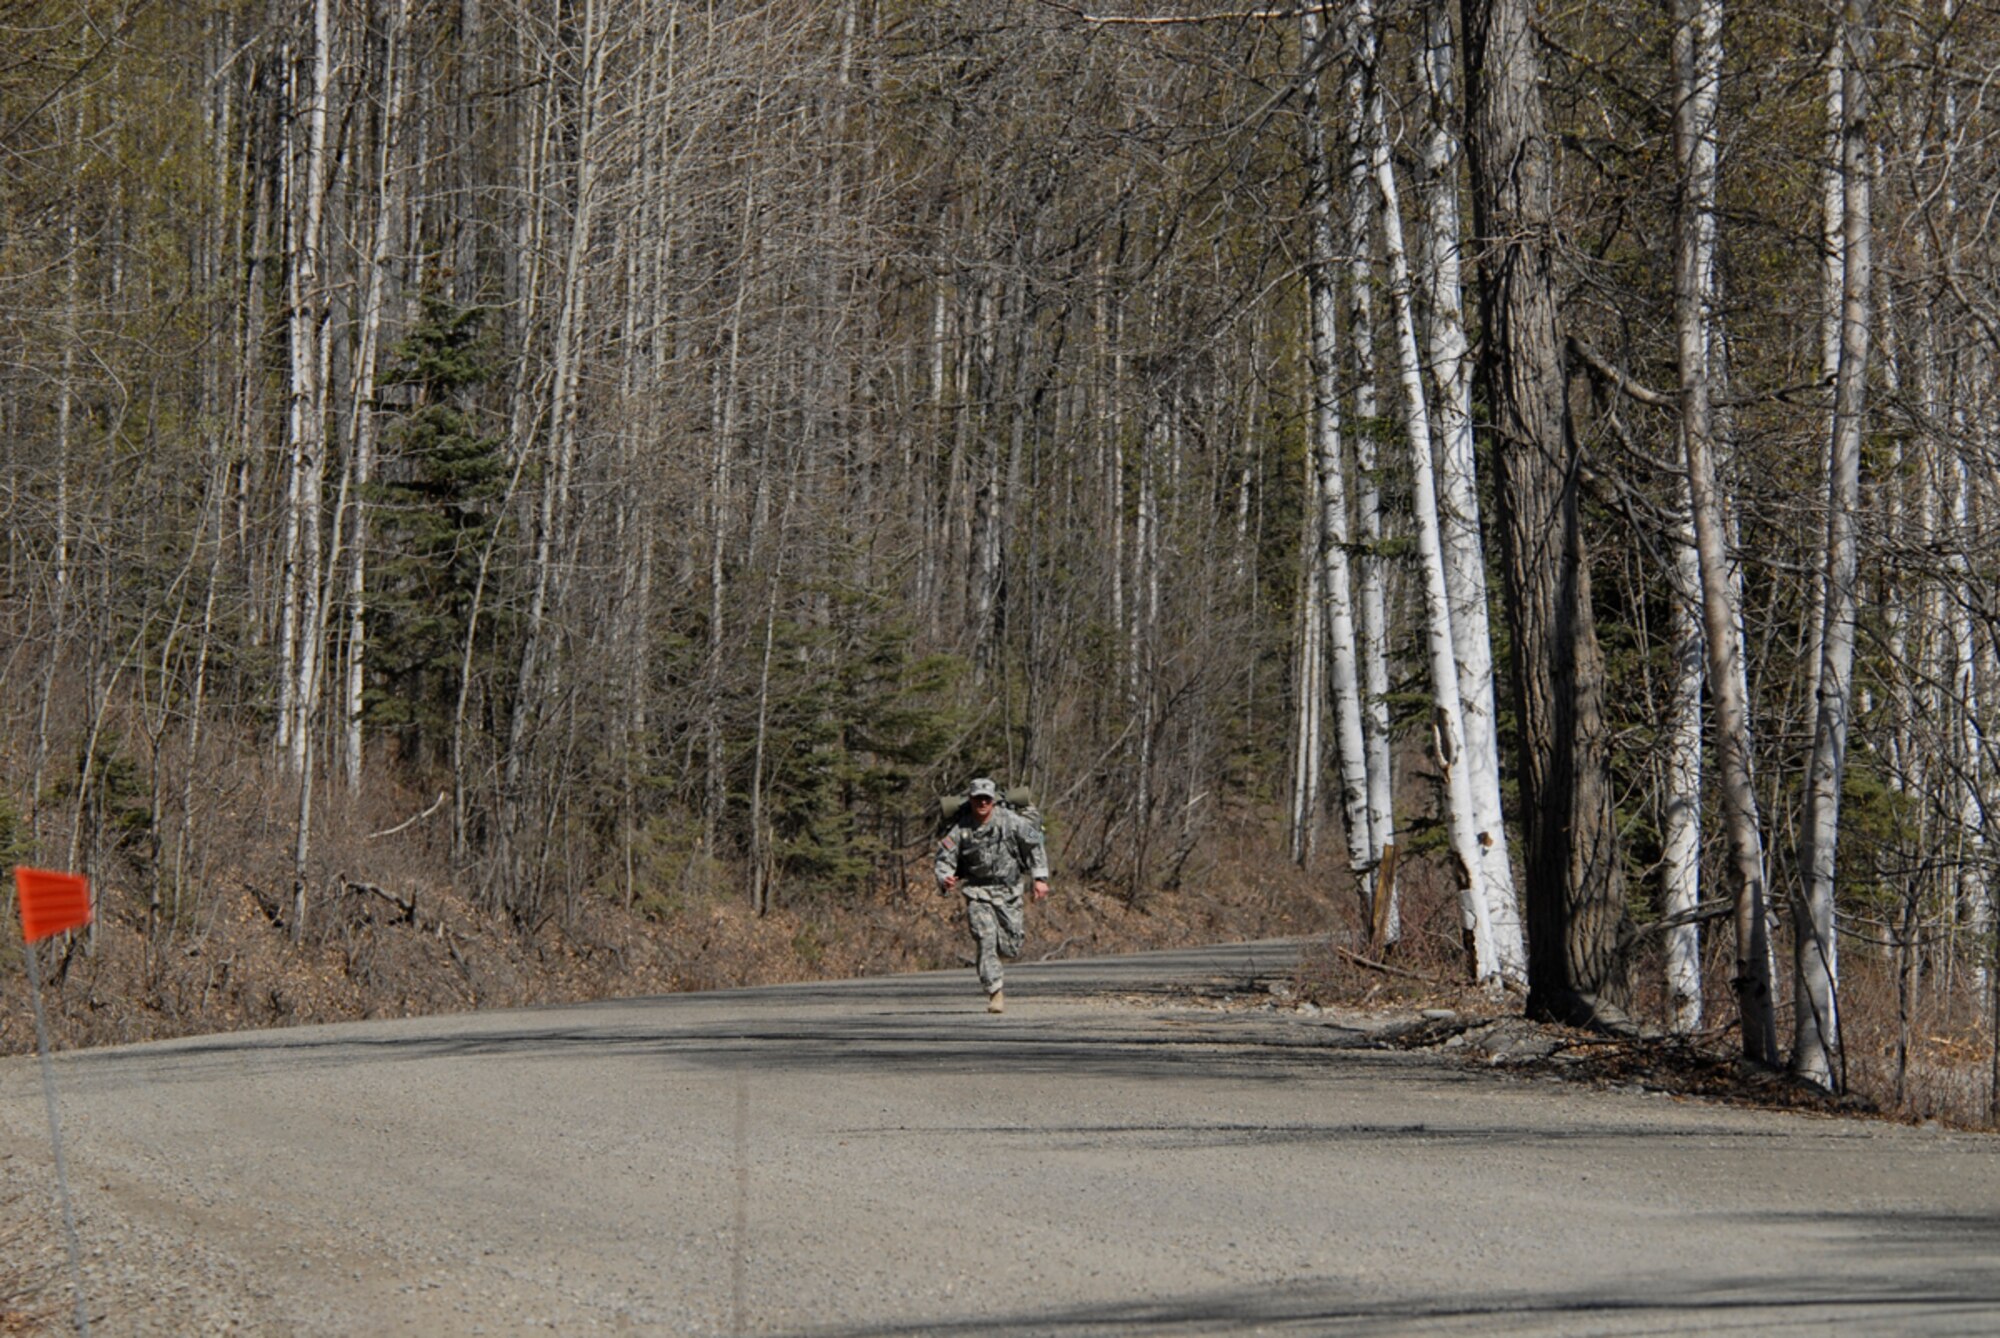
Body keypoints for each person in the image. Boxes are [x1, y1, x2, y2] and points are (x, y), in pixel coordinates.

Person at [934, 777, 1050, 1013]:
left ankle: (999, 958)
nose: (982, 803)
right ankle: (994, 991)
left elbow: (1035, 844)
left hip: (1009, 890)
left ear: (994, 801)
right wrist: (944, 878)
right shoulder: (961, 829)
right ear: (971, 800)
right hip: (978, 892)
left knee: (1011, 947)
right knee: (985, 939)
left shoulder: (1010, 821)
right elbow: (943, 859)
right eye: (978, 799)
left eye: (987, 799)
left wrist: (1040, 878)